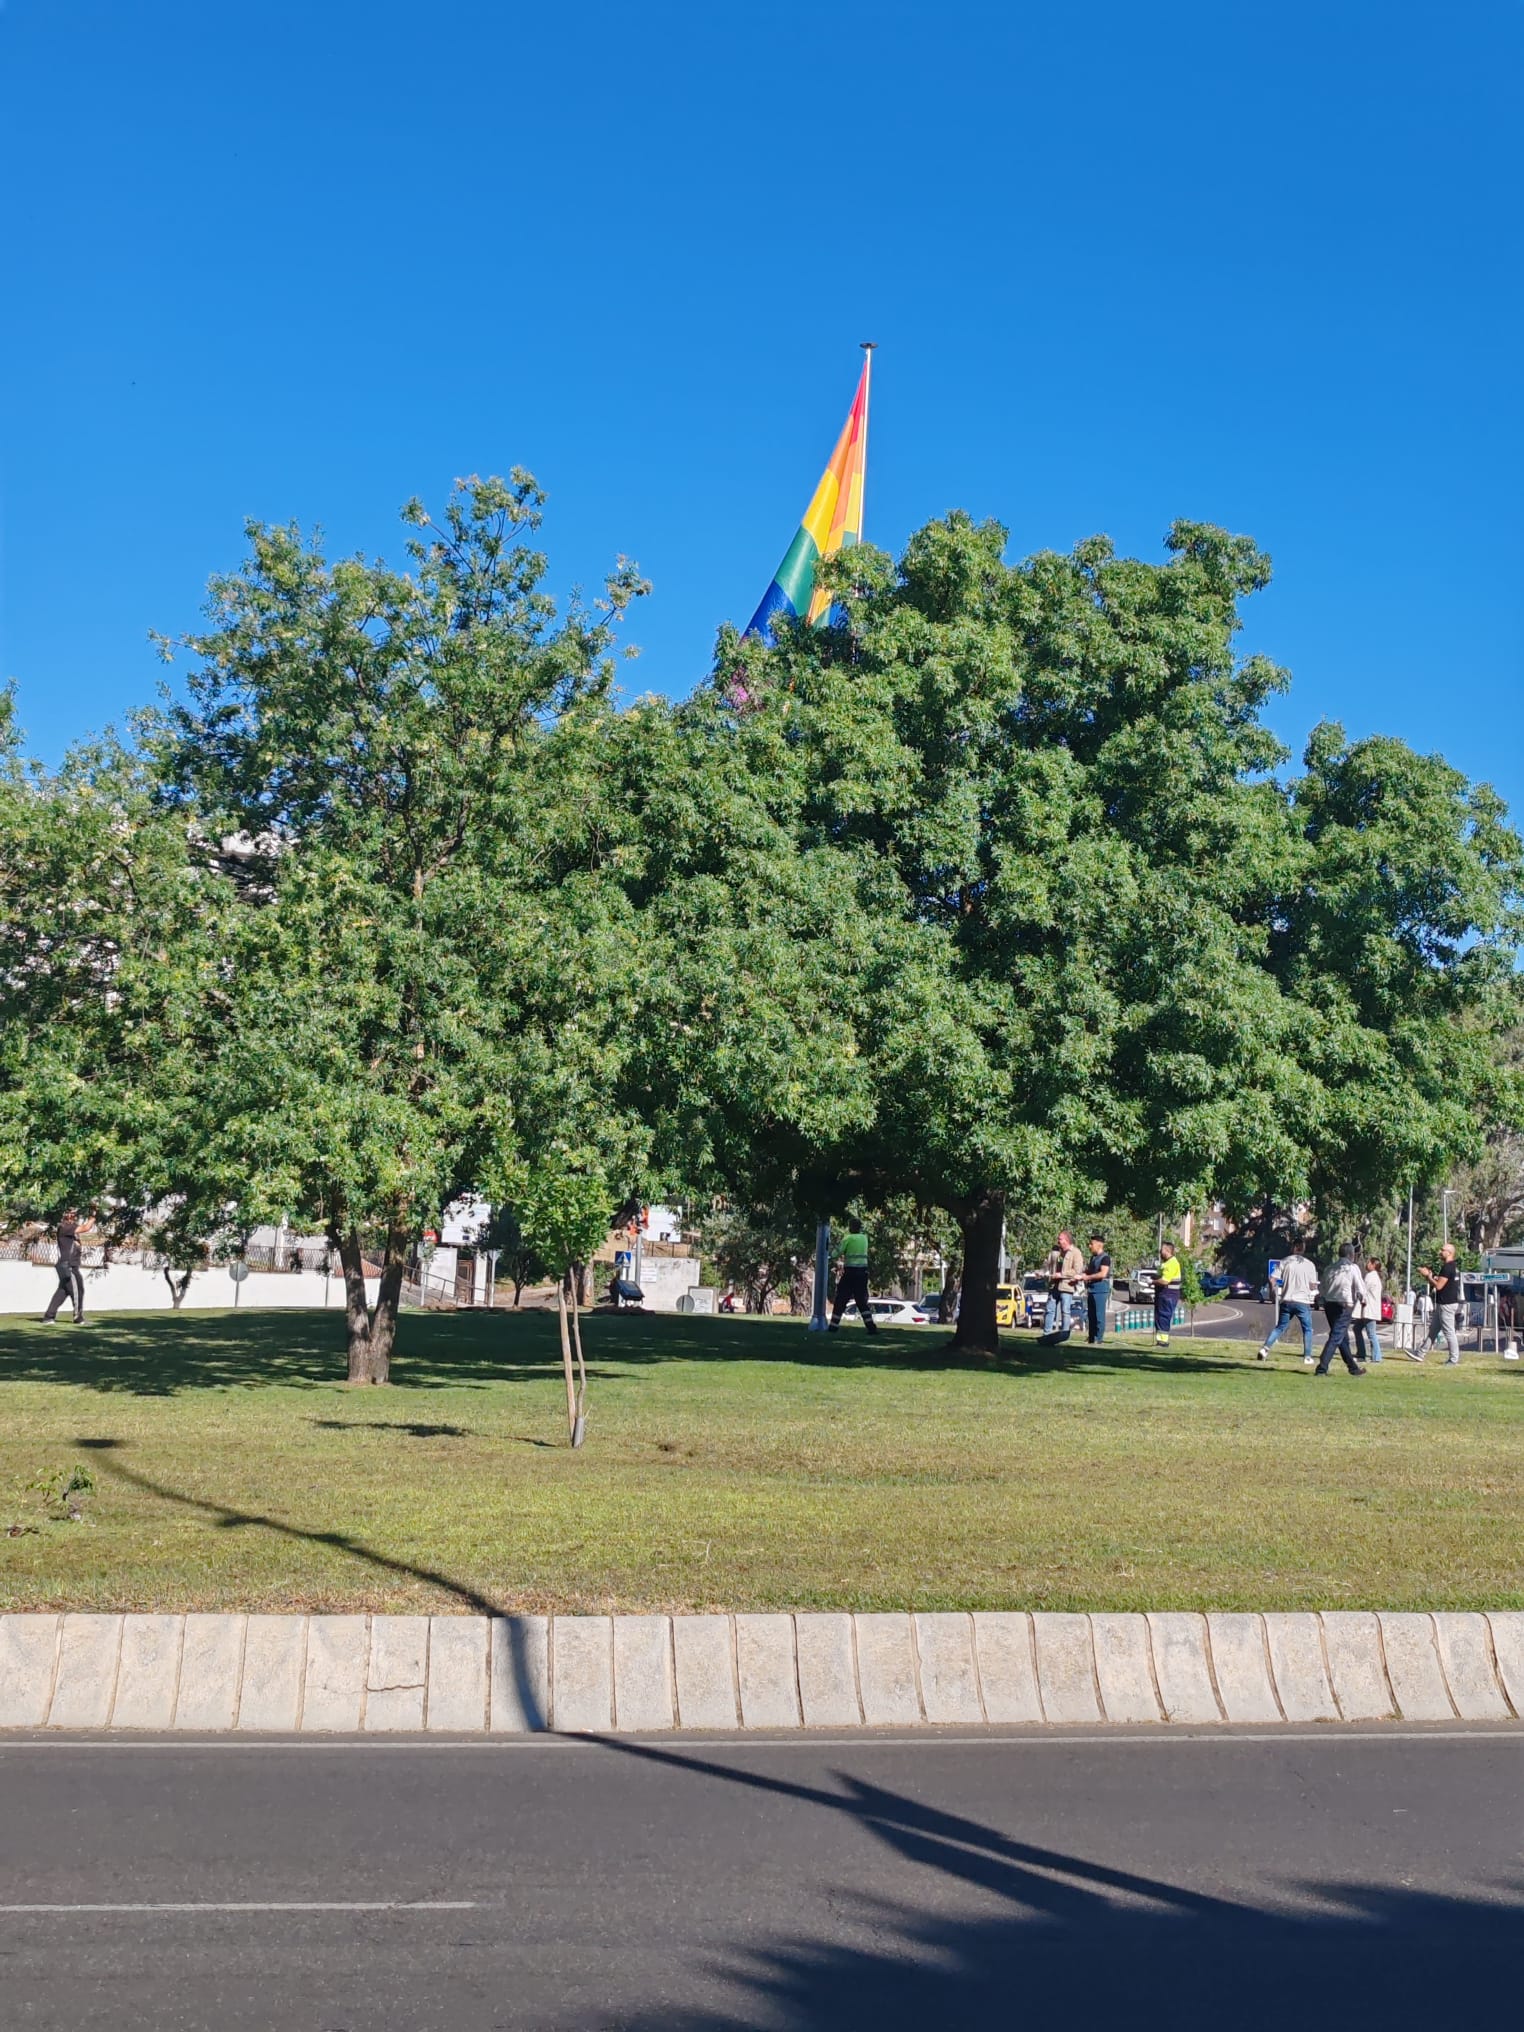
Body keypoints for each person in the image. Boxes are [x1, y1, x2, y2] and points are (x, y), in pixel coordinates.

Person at [1257, 1239, 1320, 1364]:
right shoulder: (1309, 1264)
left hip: (1287, 1300)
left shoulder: (1285, 1262)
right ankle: (1307, 1356)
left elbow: (1272, 1279)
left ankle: (1265, 1349)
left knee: (1280, 1327)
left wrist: (1272, 1292)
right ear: (1302, 1248)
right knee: (1307, 1329)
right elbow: (1313, 1286)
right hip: (1302, 1301)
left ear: (1293, 1247)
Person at [1315, 1243, 1368, 1376]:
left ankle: (1353, 1368)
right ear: (1351, 1255)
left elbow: (1322, 1288)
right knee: (1336, 1336)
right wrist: (1363, 1300)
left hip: (1329, 1305)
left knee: (1342, 1338)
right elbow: (1360, 1287)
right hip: (1344, 1305)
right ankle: (1322, 1367)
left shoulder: (1330, 1268)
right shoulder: (1352, 1268)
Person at [1413, 1243, 1463, 1364]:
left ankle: (1453, 1359)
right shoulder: (1453, 1267)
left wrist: (1427, 1276)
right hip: (1444, 1303)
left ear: (1449, 1252)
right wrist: (1431, 1276)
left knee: (1449, 1332)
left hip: (1446, 1304)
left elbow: (1439, 1286)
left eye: (1442, 1250)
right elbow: (1443, 1282)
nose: (1440, 1252)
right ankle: (1420, 1353)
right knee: (1433, 1330)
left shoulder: (1447, 1267)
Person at [828, 1217, 878, 1334]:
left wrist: (831, 1252)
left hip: (850, 1273)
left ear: (851, 1227)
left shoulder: (848, 1238)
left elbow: (837, 1253)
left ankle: (833, 1327)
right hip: (862, 1274)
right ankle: (871, 1328)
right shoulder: (864, 1238)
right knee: (861, 1301)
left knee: (841, 1299)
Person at [42, 1209, 90, 1325]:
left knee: (62, 1291)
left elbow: (80, 1228)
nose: (73, 1216)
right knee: (77, 1290)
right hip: (69, 1266)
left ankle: (49, 1316)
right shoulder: (65, 1227)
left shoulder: (71, 1229)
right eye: (70, 1213)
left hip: (68, 1265)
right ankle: (78, 1317)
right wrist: (93, 1217)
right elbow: (86, 1228)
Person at [1042, 1231, 1085, 1338]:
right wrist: (1043, 1271)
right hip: (1054, 1285)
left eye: (1060, 1239)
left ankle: (1064, 1335)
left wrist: (1061, 1274)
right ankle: (1046, 1334)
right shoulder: (1056, 1252)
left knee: (1065, 1311)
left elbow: (1077, 1270)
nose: (1058, 1241)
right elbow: (1047, 1265)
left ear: (1066, 1240)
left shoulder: (1076, 1253)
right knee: (1049, 1309)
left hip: (1067, 1286)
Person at [1351, 1255, 1384, 1366]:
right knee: (1357, 1328)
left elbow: (1363, 1290)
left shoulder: (1371, 1276)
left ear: (1373, 1265)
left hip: (1369, 1310)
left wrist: (1359, 1296)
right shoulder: (1375, 1277)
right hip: (1368, 1310)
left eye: (1369, 1262)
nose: (1367, 1264)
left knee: (1371, 1333)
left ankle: (1376, 1356)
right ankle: (1361, 1354)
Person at [1083, 1234, 1112, 1344]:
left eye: (1092, 1244)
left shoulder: (1105, 1258)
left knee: (1099, 1315)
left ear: (1099, 1245)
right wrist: (1080, 1275)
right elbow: (1089, 1271)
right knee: (1091, 1316)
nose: (1089, 1246)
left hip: (1100, 1289)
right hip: (1091, 1289)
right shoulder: (1093, 1258)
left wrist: (1088, 1277)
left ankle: (1098, 1338)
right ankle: (1091, 1338)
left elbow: (1103, 1274)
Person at [1153, 1239, 1182, 1347]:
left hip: (1168, 1295)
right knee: (1160, 1317)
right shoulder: (1166, 1263)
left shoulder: (1172, 1263)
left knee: (1164, 1317)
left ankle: (1163, 1342)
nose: (1160, 1252)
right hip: (1164, 1294)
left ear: (1167, 1250)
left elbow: (1165, 1281)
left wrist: (1153, 1281)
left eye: (1161, 1250)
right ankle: (1160, 1340)